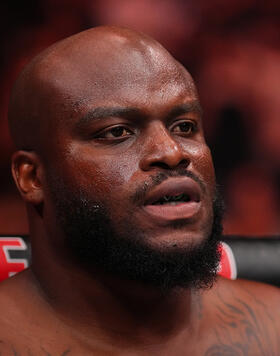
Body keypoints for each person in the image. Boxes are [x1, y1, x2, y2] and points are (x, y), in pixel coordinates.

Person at [2, 26, 280, 355]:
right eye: (117, 131)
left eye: (185, 126)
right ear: (32, 178)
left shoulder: (272, 329)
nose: (172, 151)